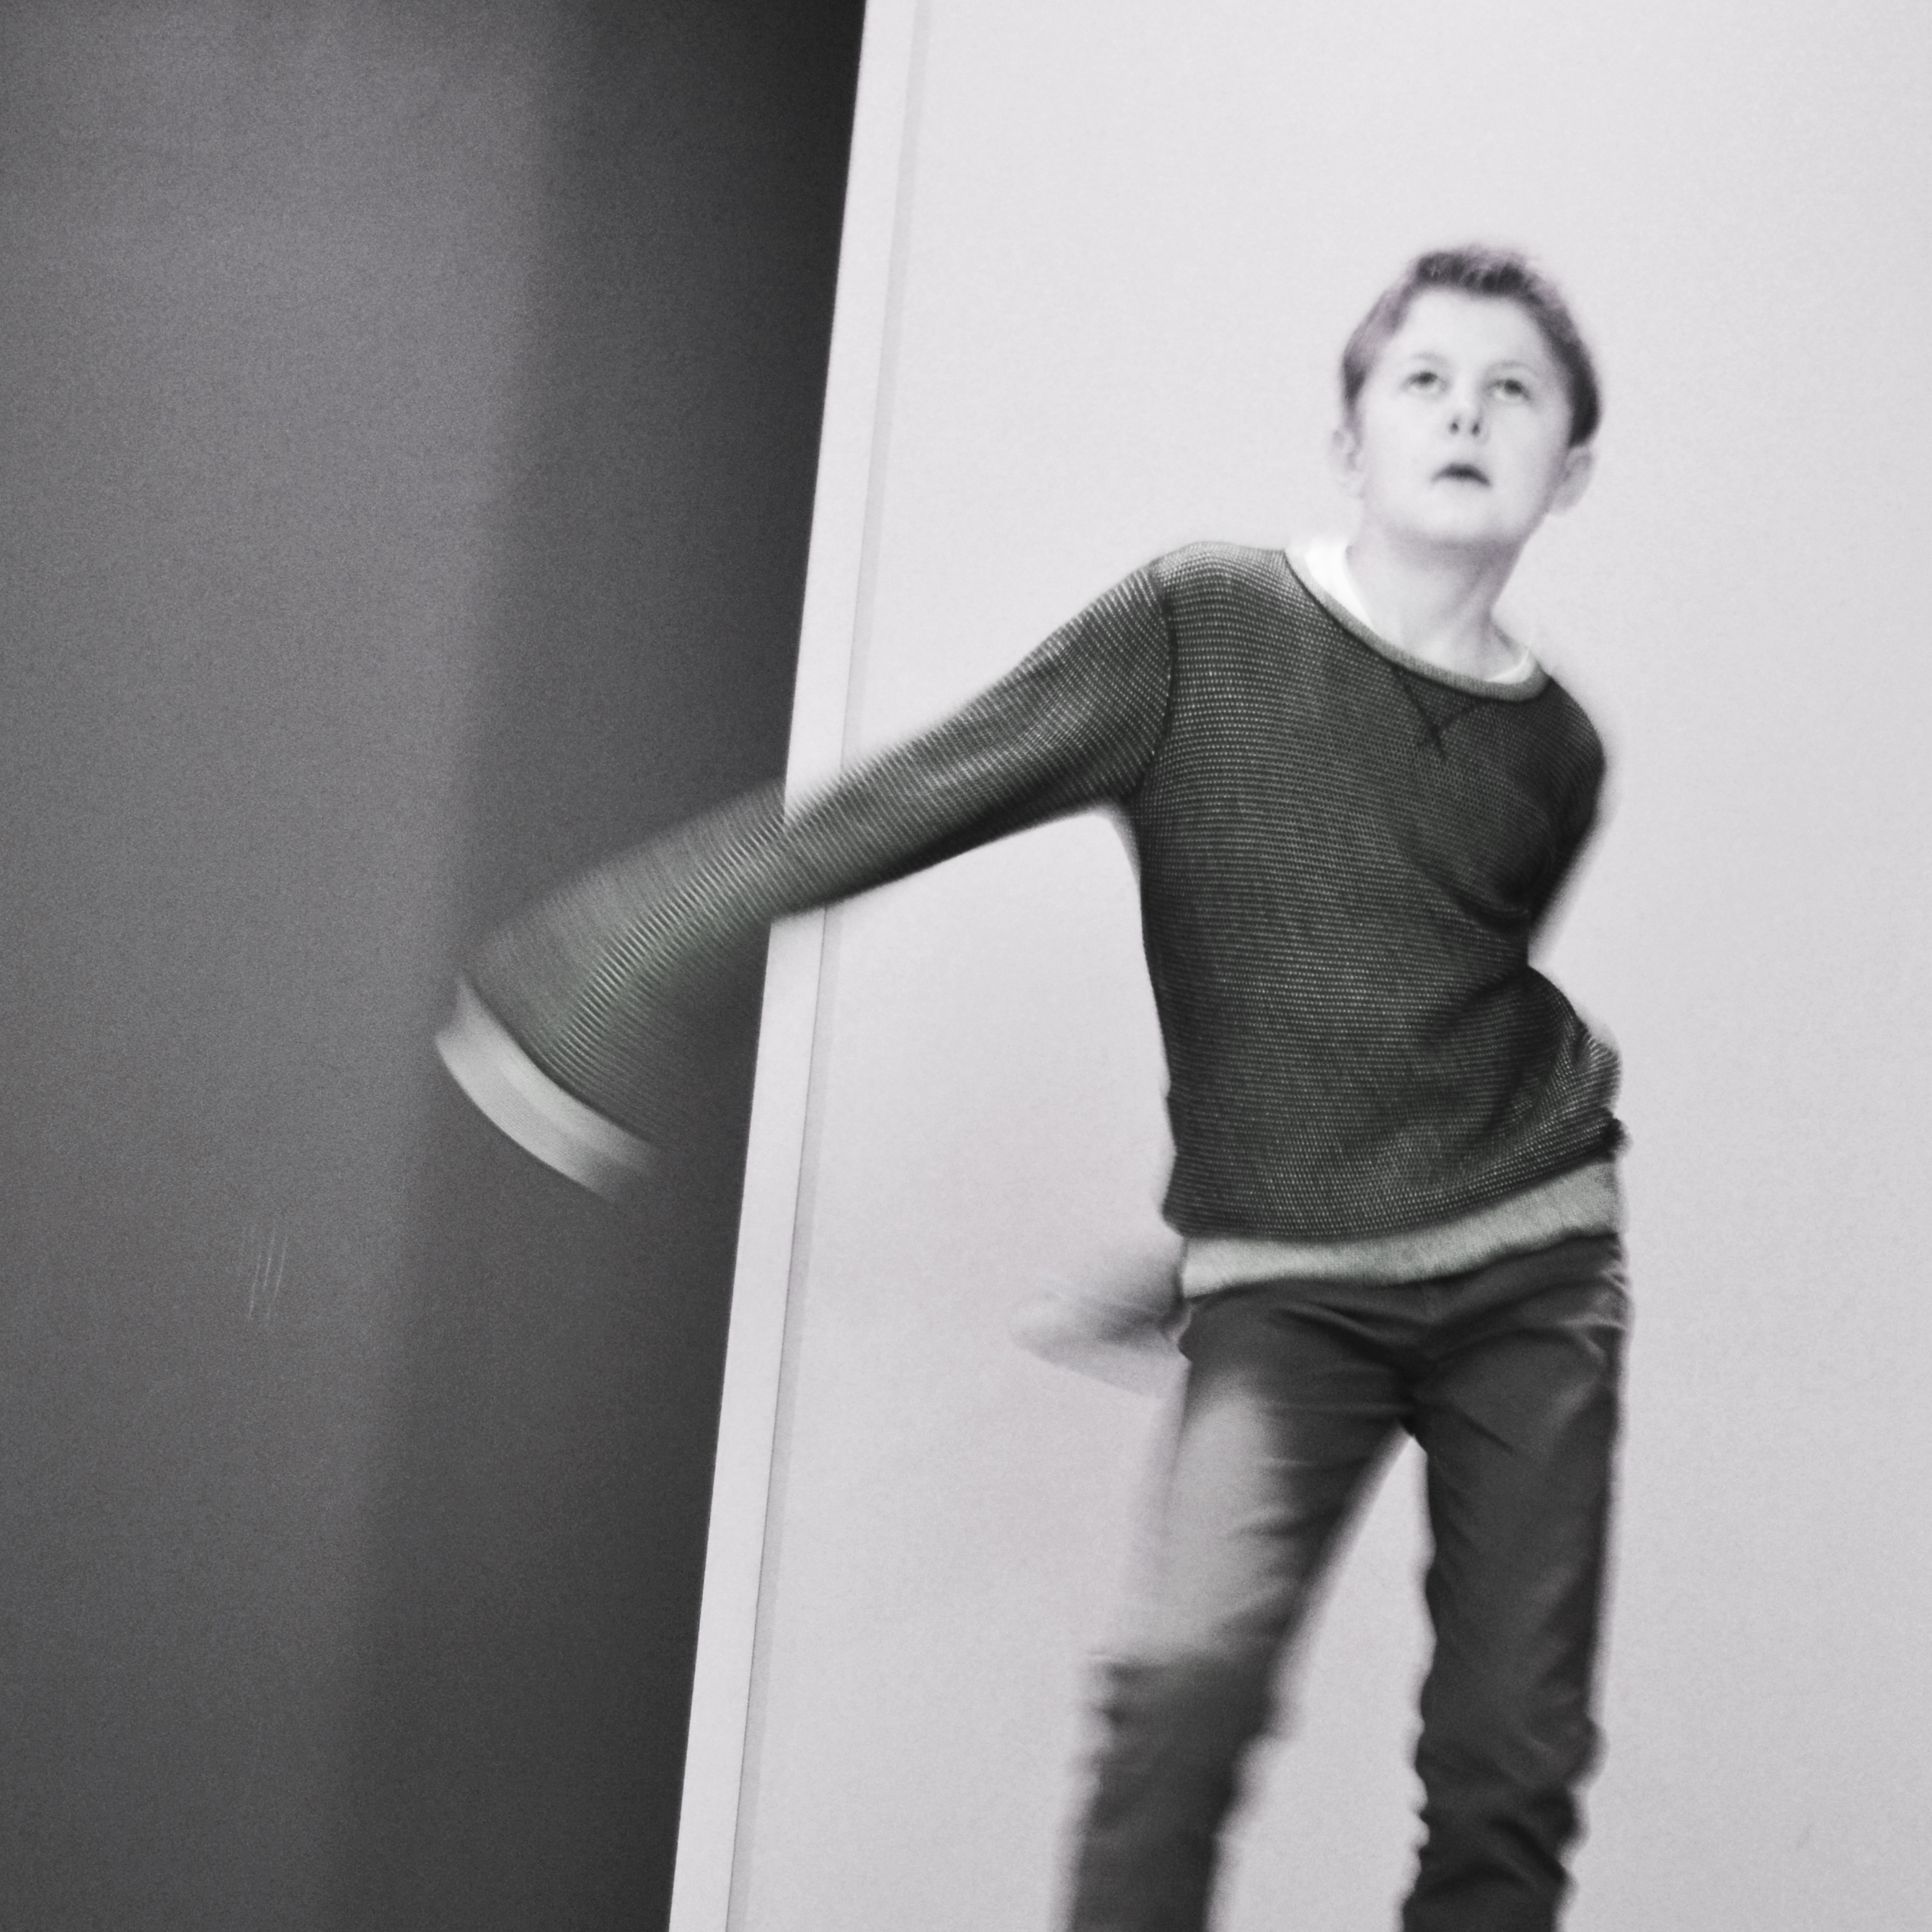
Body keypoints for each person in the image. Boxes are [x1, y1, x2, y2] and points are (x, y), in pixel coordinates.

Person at [437, 244, 1627, 1932]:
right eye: (1422, 379)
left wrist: (1185, 1234)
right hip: (1290, 1294)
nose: (1464, 413)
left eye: (1512, 391)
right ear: (1346, 438)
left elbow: (1405, 1011)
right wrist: (606, 965)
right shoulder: (1198, 627)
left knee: (1511, 1748)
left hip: (1535, 1258)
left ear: (1566, 469)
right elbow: (916, 794)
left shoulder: (1558, 752)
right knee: (1178, 1706)